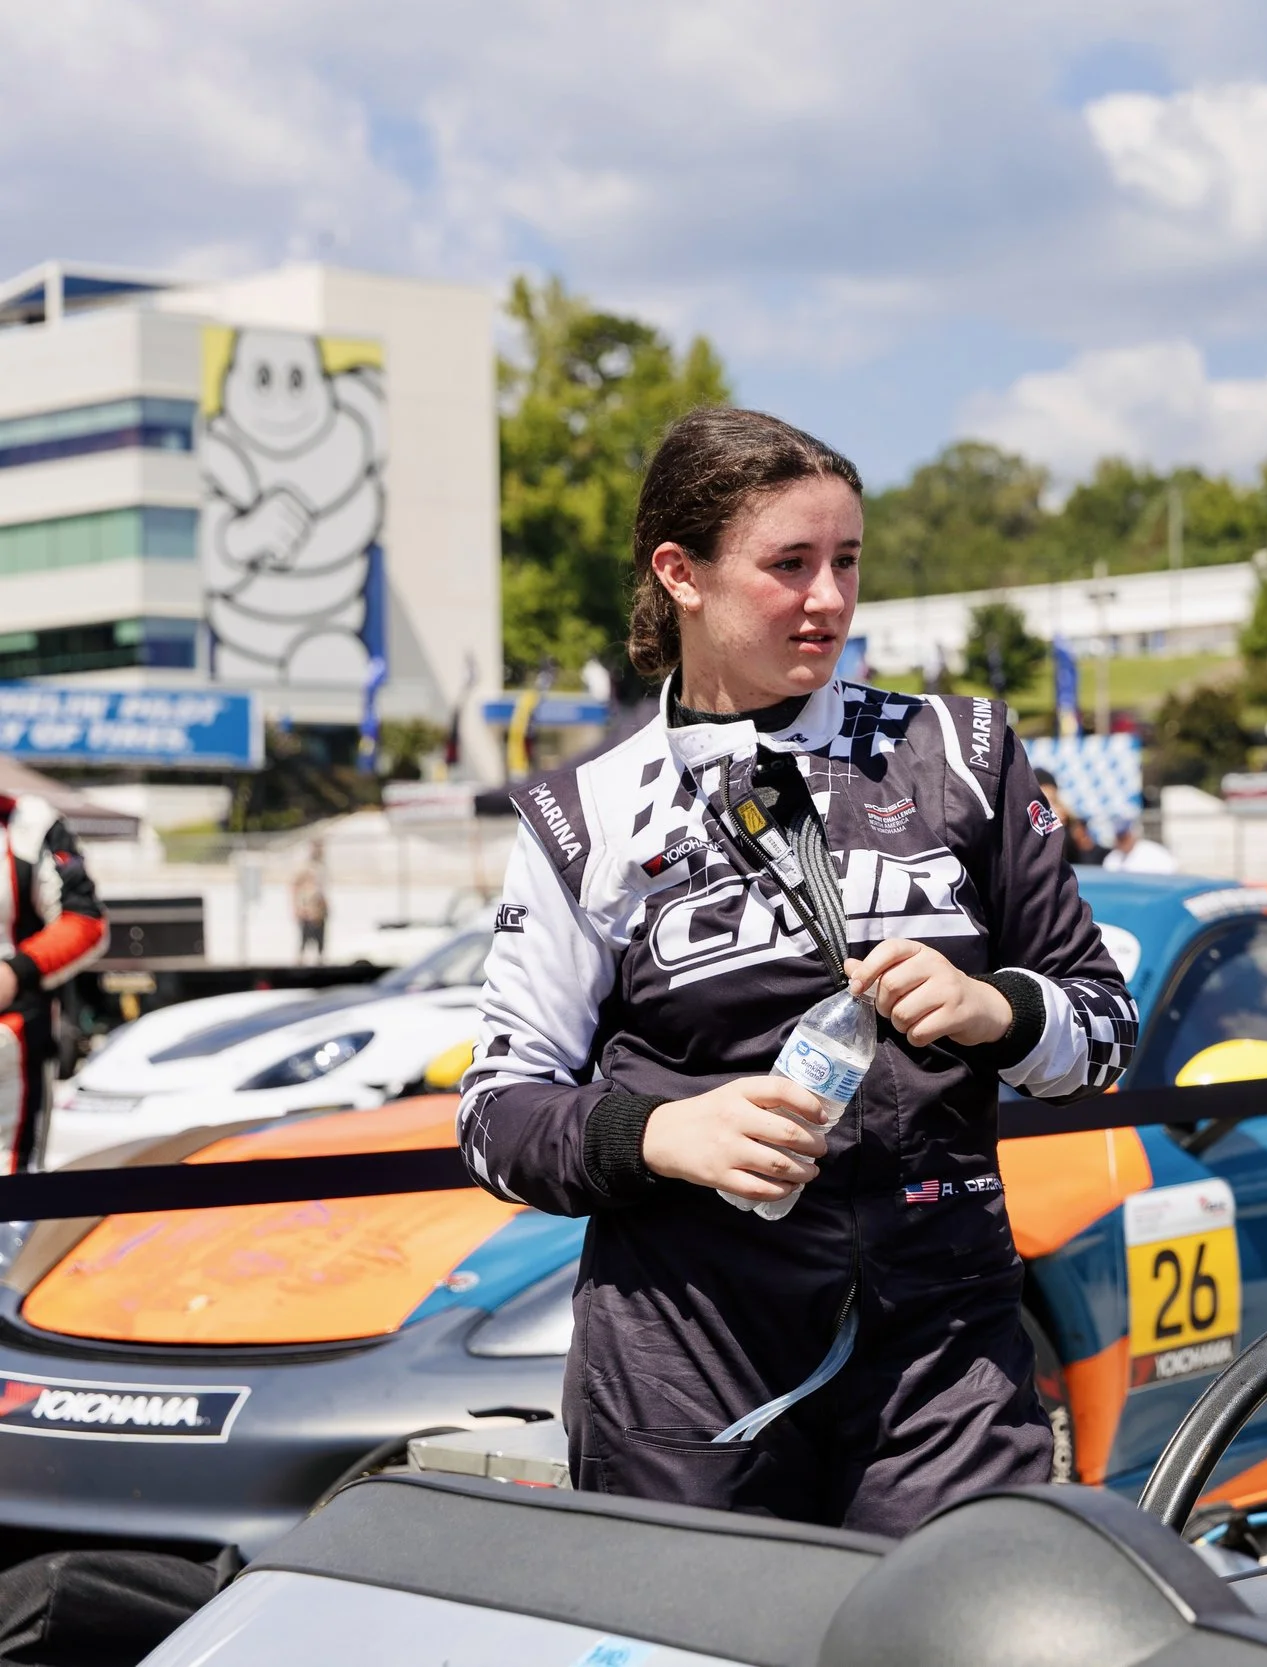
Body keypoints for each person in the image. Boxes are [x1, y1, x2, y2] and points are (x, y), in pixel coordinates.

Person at [458, 408, 1136, 1534]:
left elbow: (1106, 1031)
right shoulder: (586, 812)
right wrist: (660, 1134)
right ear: (680, 574)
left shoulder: (962, 753)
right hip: (688, 1359)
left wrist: (994, 1008)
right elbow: (493, 1115)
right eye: (790, 564)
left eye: (847, 560)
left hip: (943, 1352)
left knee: (955, 1616)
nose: (829, 599)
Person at [0, 792, 105, 1175]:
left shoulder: (31, 824)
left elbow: (85, 921)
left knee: (13, 1192)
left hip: (11, 1045)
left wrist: (14, 972)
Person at [1031, 769, 1102, 866]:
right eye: (1045, 802)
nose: (1050, 807)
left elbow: (1084, 855)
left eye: (1053, 800)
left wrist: (1069, 829)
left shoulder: (1069, 822)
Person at [1099, 813, 1177, 874]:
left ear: (1133, 835)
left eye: (1125, 838)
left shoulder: (1155, 854)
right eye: (1119, 838)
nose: (1121, 842)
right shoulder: (1113, 858)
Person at [292, 843, 329, 964]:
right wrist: (297, 907)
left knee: (320, 939)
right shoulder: (306, 867)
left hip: (319, 909)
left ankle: (320, 961)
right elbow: (295, 886)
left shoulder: (322, 866)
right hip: (307, 908)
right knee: (305, 938)